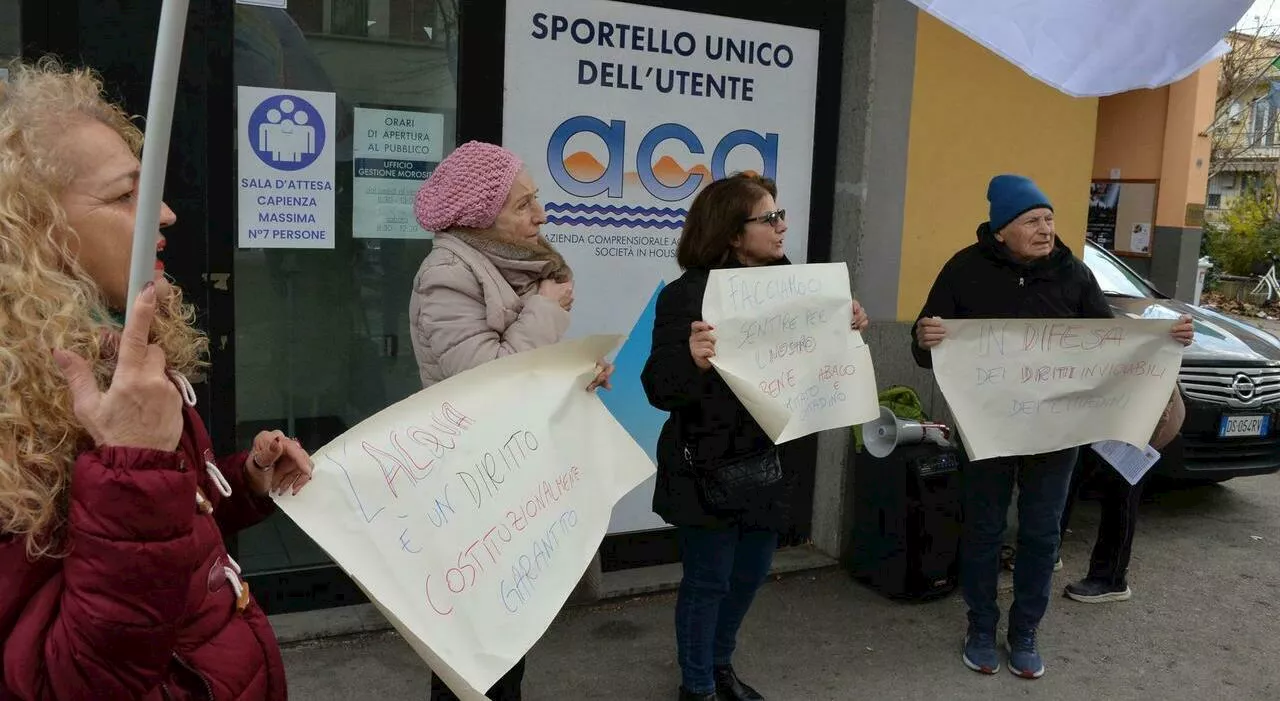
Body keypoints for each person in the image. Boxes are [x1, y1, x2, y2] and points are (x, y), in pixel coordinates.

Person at [0, 59, 314, 700]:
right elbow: (69, 683)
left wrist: (245, 483)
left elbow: (165, 538)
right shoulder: (13, 405)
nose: (164, 215)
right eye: (125, 196)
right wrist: (134, 461)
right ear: (28, 226)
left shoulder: (120, 354)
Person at [911, 174, 1193, 680]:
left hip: (1055, 434)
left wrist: (1163, 339)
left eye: (1049, 219)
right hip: (989, 430)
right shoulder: (963, 270)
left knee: (1041, 534)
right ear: (1001, 231)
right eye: (1032, 221)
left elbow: (1111, 346)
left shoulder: (1073, 275)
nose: (1045, 230)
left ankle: (1025, 632)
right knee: (983, 530)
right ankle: (980, 627)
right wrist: (924, 334)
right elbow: (925, 348)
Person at [642, 173, 869, 701]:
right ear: (731, 232)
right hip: (707, 466)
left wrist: (847, 322)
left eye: (780, 215)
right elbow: (658, 386)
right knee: (709, 580)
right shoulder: (686, 296)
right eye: (769, 218)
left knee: (750, 574)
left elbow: (816, 358)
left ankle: (720, 665)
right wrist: (691, 360)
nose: (782, 226)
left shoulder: (793, 288)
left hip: (768, 461)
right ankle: (697, 685)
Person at [409, 140, 612, 701]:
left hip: (513, 471)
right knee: (475, 644)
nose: (541, 215)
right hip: (474, 483)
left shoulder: (511, 266)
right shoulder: (447, 275)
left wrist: (575, 375)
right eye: (523, 205)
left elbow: (528, 373)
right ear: (479, 216)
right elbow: (487, 381)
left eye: (537, 199)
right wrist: (546, 310)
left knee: (511, 636)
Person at [1059, 385, 1186, 603]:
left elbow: (1181, 349)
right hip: (1103, 405)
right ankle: (1048, 552)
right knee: (1068, 475)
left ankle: (1110, 578)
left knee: (1121, 488)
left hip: (1140, 408)